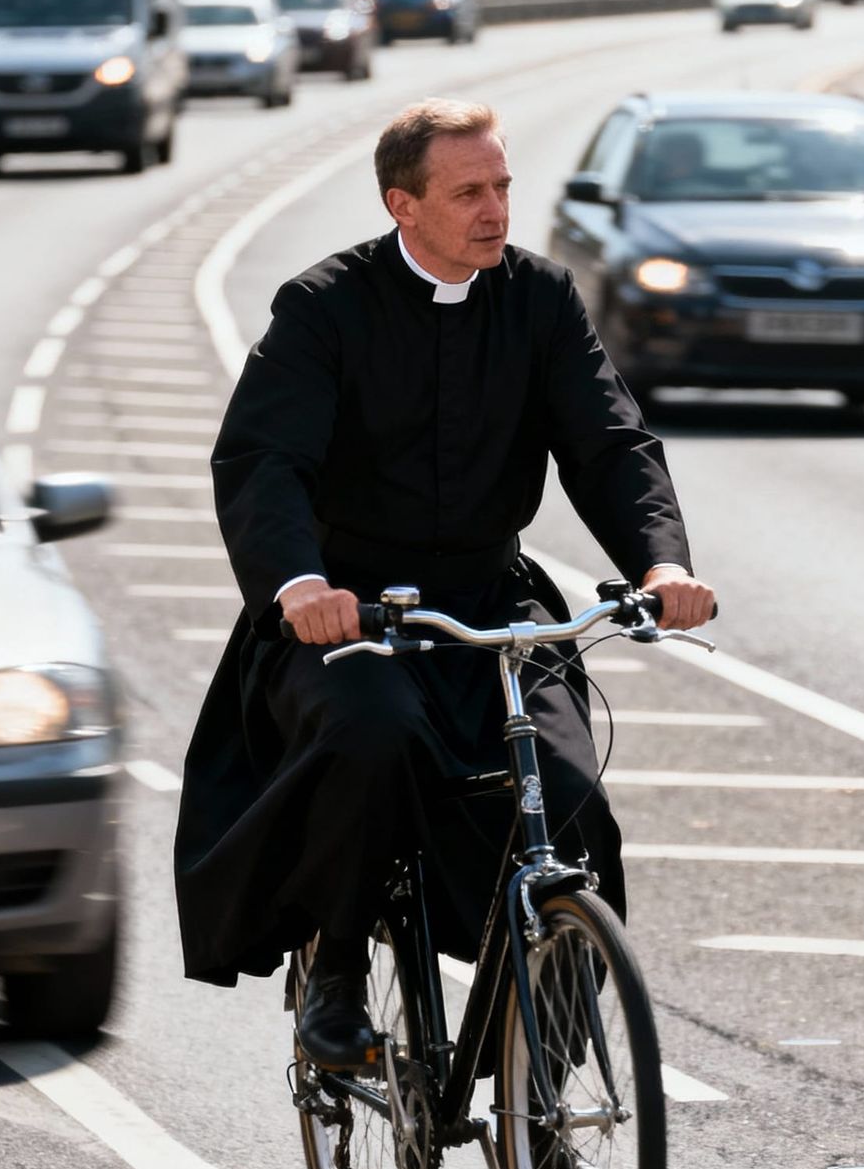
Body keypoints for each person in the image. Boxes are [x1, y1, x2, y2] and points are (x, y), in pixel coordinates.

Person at [175, 98, 715, 1074]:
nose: (495, 209)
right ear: (403, 204)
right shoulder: (323, 307)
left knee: (571, 795)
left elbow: (608, 444)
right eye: (468, 191)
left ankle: (543, 1064)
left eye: (502, 186)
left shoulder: (541, 300)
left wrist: (660, 561)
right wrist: (299, 582)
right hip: (349, 610)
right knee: (372, 737)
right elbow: (265, 462)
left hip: (490, 599)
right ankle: (337, 972)